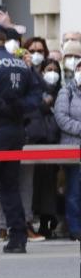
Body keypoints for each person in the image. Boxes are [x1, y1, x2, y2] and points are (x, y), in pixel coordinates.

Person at [0, 22, 43, 253]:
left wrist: (2, 107)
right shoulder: (21, 64)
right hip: (15, 131)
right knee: (10, 187)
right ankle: (18, 239)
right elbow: (37, 94)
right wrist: (19, 108)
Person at [30, 58, 62, 238]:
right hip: (39, 141)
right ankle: (39, 220)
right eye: (48, 69)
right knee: (38, 185)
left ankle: (48, 222)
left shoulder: (63, 92)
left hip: (56, 143)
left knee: (52, 186)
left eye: (54, 69)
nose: (52, 73)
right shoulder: (36, 91)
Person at [55, 41, 81, 241]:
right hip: (73, 148)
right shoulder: (67, 91)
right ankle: (75, 228)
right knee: (74, 190)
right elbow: (61, 118)